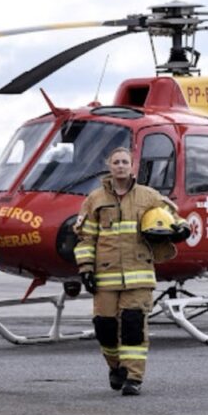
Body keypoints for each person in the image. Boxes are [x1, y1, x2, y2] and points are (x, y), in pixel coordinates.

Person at [74, 147, 177, 396]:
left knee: (133, 325)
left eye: (125, 162)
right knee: (104, 327)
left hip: (139, 275)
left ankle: (133, 377)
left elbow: (173, 216)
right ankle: (115, 366)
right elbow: (86, 237)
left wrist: (180, 229)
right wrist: (86, 269)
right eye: (116, 162)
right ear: (109, 166)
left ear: (133, 166)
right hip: (105, 276)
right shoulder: (95, 200)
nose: (120, 166)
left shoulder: (149, 196)